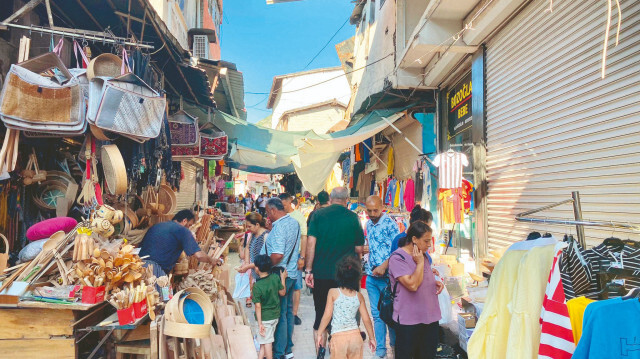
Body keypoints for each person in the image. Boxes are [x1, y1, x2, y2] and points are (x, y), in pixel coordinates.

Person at [305, 187, 365, 354]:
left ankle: (320, 353)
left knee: (321, 316)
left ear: (330, 199)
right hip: (347, 276)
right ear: (347, 200)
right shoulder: (353, 218)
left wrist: (308, 270)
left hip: (322, 274)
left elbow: (311, 243)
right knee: (346, 318)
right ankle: (340, 353)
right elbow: (359, 248)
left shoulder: (317, 215)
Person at [389, 221, 444, 358]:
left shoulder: (423, 255)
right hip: (408, 321)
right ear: (414, 239)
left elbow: (422, 278)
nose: (429, 244)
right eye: (426, 241)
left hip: (429, 318)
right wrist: (419, 263)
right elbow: (412, 285)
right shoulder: (398, 258)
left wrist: (433, 282)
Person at [316, 256, 376, 359]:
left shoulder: (333, 293)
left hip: (338, 339)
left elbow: (327, 315)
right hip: (356, 338)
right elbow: (366, 319)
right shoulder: (359, 296)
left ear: (338, 275)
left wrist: (319, 333)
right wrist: (372, 338)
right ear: (357, 277)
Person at [262, 197, 300, 359]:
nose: (266, 215)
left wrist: (262, 266)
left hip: (279, 274)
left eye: (266, 212)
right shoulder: (293, 223)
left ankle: (279, 352)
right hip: (291, 272)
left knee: (279, 314)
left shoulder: (279, 228)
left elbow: (277, 255)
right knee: (288, 311)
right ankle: (288, 348)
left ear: (272, 210)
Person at [364, 195, 400, 359]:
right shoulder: (368, 224)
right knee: (377, 315)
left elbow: (397, 252)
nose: (372, 213)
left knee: (390, 314)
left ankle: (394, 348)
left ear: (382, 207)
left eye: (375, 210)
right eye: (369, 210)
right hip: (372, 278)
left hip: (387, 279)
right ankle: (381, 350)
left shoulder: (391, 225)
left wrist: (383, 266)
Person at [139, 210, 217, 277]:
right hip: (156, 271)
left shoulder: (157, 226)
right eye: (189, 225)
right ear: (184, 221)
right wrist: (211, 260)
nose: (189, 228)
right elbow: (199, 256)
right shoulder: (183, 230)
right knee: (158, 294)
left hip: (139, 267)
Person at [278, 192, 308, 326]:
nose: (282, 207)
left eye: (284, 205)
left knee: (296, 286)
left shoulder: (298, 216)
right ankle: (283, 311)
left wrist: (302, 257)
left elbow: (304, 237)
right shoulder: (279, 215)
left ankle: (294, 313)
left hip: (295, 255)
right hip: (281, 255)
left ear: (290, 202)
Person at [252, 255, 287, 359]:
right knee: (264, 341)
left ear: (257, 268)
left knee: (267, 343)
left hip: (264, 319)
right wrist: (283, 278)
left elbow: (258, 306)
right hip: (275, 316)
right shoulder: (275, 278)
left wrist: (259, 324)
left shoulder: (257, 286)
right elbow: (282, 292)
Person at [239, 212, 269, 308]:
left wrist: (248, 266)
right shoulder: (253, 234)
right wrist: (247, 263)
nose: (248, 229)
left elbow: (264, 259)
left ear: (257, 224)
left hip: (264, 273)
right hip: (255, 271)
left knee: (263, 299)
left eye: (249, 226)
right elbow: (247, 248)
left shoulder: (266, 236)